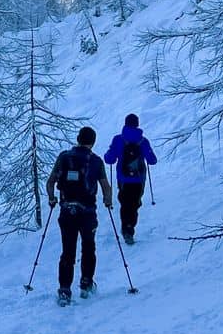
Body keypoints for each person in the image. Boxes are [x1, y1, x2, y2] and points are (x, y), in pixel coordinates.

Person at [46, 126, 112, 306]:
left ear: (78, 138)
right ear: (93, 141)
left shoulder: (64, 157)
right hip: (88, 213)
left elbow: (51, 181)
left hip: (67, 211)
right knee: (88, 247)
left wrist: (52, 199)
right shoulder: (96, 161)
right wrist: (108, 201)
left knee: (68, 250)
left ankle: (65, 290)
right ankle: (86, 284)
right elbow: (106, 187)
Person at [104, 113, 156, 244]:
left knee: (125, 203)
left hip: (123, 179)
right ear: (138, 125)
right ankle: (130, 228)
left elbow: (109, 159)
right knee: (134, 205)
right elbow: (152, 160)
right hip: (139, 179)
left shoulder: (118, 139)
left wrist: (109, 153)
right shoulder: (143, 141)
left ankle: (125, 228)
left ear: (125, 124)